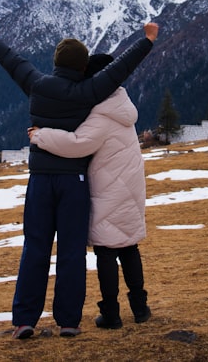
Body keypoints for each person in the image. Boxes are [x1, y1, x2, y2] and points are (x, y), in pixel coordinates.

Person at [0, 22, 158, 339]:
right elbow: (120, 69)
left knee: (35, 247)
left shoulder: (36, 84)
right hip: (73, 181)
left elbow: (14, 63)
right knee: (72, 252)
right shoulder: (88, 92)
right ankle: (68, 322)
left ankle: (24, 320)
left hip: (40, 181)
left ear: (55, 64)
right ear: (82, 67)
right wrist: (146, 41)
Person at [28, 54, 151, 330]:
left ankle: (111, 313)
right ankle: (141, 308)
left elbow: (77, 143)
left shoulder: (101, 115)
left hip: (109, 188)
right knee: (129, 247)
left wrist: (40, 136)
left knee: (106, 252)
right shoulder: (123, 107)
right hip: (130, 186)